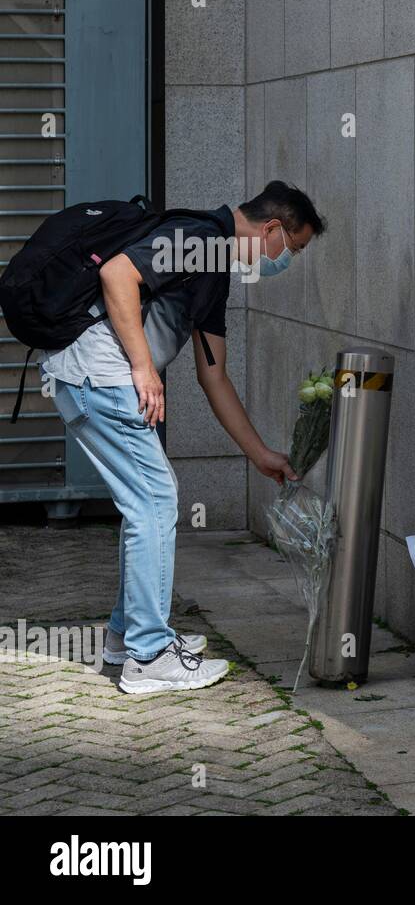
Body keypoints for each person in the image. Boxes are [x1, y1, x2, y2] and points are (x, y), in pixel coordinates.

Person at [39, 181, 325, 693]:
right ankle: (149, 655)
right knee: (155, 500)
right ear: (272, 229)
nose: (288, 262)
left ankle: (126, 639)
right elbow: (116, 273)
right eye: (293, 249)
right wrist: (144, 369)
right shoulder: (199, 238)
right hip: (99, 378)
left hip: (92, 380)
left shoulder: (214, 263)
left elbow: (212, 375)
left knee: (147, 500)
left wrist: (259, 454)